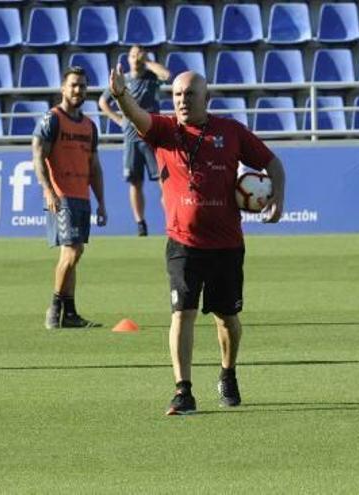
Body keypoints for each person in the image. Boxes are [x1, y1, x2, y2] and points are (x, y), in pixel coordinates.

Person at [109, 66, 286, 415]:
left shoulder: (231, 132)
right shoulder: (163, 129)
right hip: (183, 243)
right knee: (182, 313)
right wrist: (121, 96)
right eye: (176, 95)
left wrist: (278, 197)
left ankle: (228, 372)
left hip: (226, 244)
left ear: (207, 98)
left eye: (190, 94)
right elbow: (137, 116)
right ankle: (183, 391)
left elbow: (273, 163)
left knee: (227, 319)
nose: (182, 101)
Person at [32, 66, 107, 329]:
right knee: (72, 251)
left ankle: (71, 313)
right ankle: (54, 309)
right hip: (61, 197)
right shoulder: (51, 119)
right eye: (74, 85)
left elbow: (94, 167)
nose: (78, 90)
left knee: (75, 252)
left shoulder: (89, 126)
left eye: (83, 86)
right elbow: (38, 156)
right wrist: (48, 190)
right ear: (63, 88)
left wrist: (101, 202)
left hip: (82, 197)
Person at [99, 46, 170, 237]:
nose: (135, 58)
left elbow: (166, 75)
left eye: (138, 54)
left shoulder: (151, 77)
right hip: (131, 137)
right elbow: (103, 102)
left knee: (164, 181)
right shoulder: (125, 80)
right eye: (132, 54)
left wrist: (147, 62)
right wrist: (119, 120)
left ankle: (172, 221)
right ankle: (140, 223)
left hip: (153, 136)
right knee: (135, 182)